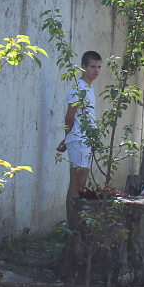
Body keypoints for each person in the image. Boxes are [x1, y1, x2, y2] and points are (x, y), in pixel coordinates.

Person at [59, 50, 103, 201]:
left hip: (86, 140)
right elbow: (70, 117)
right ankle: (72, 222)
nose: (96, 71)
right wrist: (67, 138)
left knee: (82, 185)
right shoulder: (78, 87)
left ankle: (79, 221)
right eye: (92, 67)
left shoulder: (89, 88)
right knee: (76, 185)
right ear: (83, 67)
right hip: (78, 139)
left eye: (99, 67)